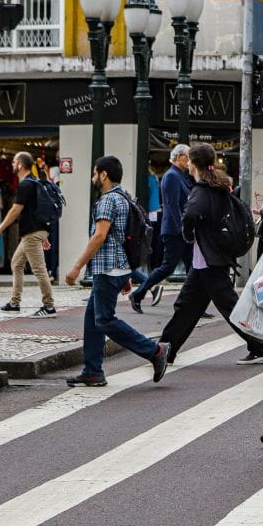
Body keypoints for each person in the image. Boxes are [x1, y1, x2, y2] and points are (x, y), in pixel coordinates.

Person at [159, 143, 263, 365]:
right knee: (186, 307)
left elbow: (190, 214)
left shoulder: (202, 188)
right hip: (209, 259)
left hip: (209, 260)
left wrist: (188, 234)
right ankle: (166, 349)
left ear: (193, 163)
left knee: (228, 306)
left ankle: (260, 346)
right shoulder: (219, 185)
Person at [64, 155, 170, 387]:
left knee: (103, 319)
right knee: (93, 320)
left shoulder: (108, 200)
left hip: (108, 268)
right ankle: (92, 371)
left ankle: (155, 351)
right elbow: (123, 238)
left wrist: (76, 267)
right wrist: (126, 273)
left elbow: (100, 236)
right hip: (117, 267)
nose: (93, 177)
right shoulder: (124, 197)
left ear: (103, 174)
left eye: (94, 173)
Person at [129, 143, 192, 310]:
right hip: (174, 231)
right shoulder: (172, 176)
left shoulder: (179, 175)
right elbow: (172, 206)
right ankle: (138, 294)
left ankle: (192, 304)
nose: (189, 161)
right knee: (167, 267)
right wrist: (182, 229)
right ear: (179, 158)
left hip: (180, 231)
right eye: (187, 157)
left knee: (193, 267)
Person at [0, 151, 55, 316]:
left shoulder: (25, 185)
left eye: (14, 162)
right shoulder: (34, 182)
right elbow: (38, 209)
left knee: (39, 269)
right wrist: (44, 234)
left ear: (20, 164)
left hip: (32, 233)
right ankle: (14, 303)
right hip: (35, 232)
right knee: (16, 264)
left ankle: (49, 307)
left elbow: (15, 210)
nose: (12, 165)